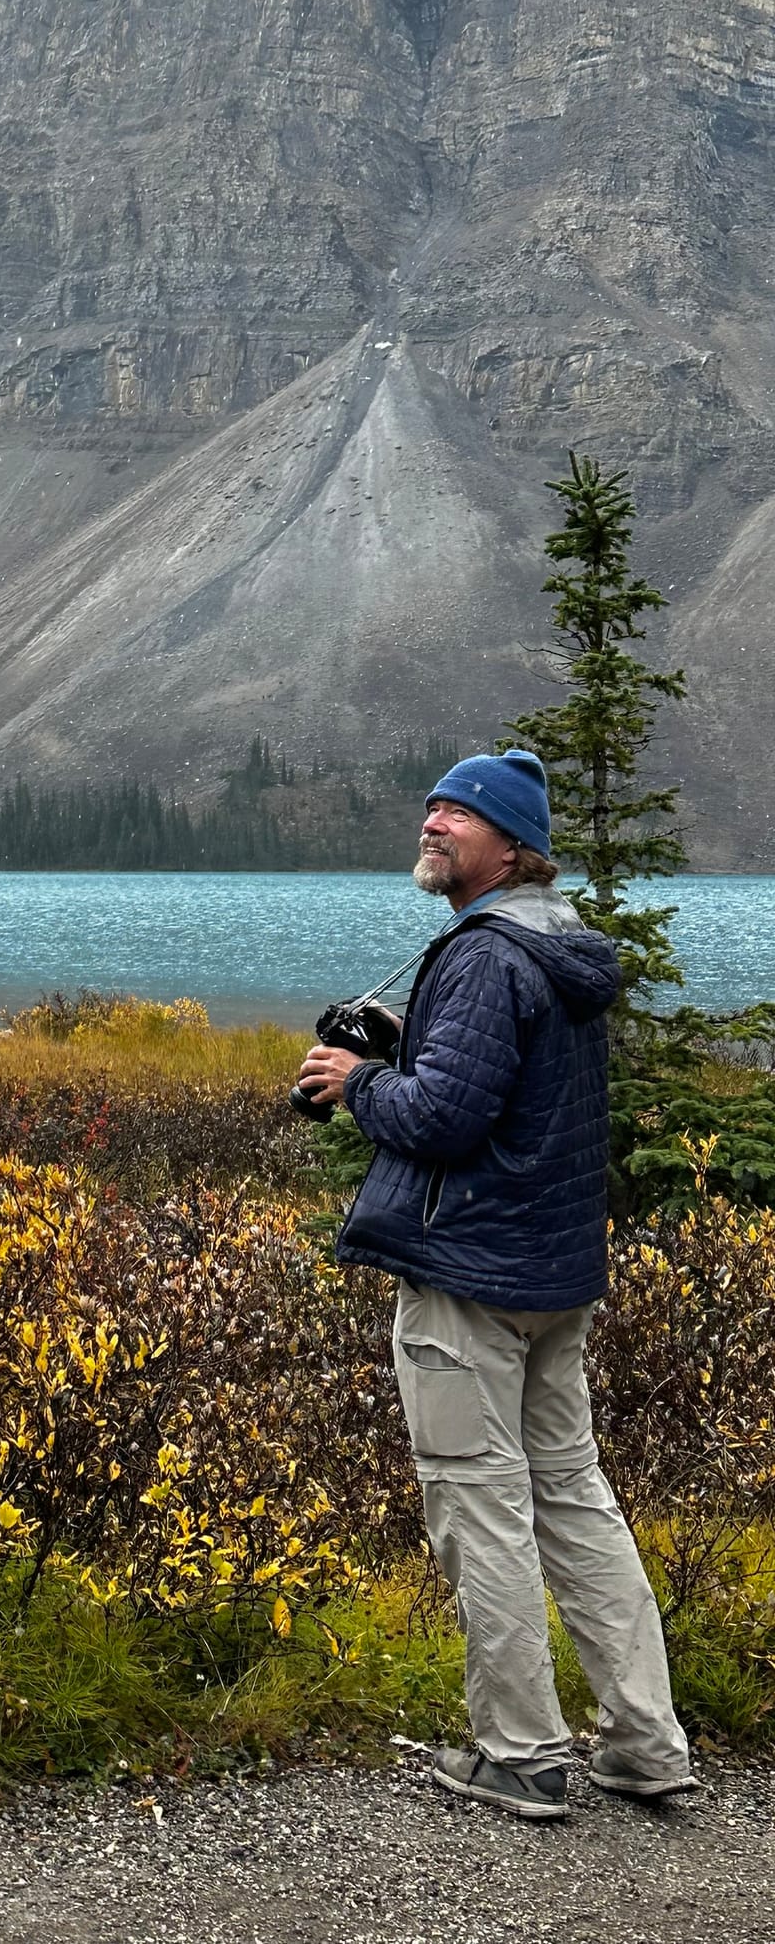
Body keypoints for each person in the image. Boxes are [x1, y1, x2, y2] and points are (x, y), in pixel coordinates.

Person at [295, 749, 697, 1823]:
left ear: (510, 847)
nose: (433, 821)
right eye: (432, 803)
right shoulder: (555, 946)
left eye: (459, 814)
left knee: (480, 1508)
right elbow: (499, 1082)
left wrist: (355, 1080)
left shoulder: (480, 956)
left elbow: (441, 1120)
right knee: (572, 1500)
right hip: (550, 1273)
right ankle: (645, 1747)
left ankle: (518, 1753)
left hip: (468, 1275)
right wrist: (405, 1042)